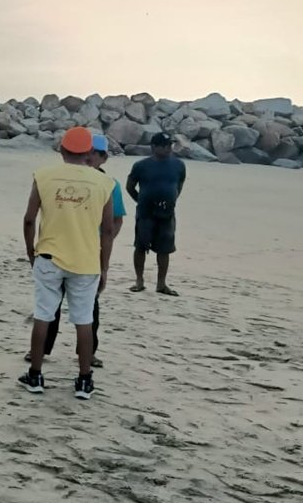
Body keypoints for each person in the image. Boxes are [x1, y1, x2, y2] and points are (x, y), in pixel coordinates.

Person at [19, 127, 116, 400]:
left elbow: (29, 219)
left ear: (61, 149)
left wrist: (31, 252)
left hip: (49, 256)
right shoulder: (104, 183)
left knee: (43, 315)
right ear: (88, 152)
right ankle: (84, 380)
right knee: (84, 320)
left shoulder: (44, 176)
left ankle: (35, 375)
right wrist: (104, 266)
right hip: (86, 260)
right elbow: (108, 230)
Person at [37, 134, 126, 368]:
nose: (89, 156)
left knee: (88, 310)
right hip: (58, 250)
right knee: (51, 306)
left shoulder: (109, 184)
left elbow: (115, 221)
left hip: (88, 253)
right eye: (88, 151)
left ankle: (88, 354)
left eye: (95, 153)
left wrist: (103, 247)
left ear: (103, 158)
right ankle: (42, 350)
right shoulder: (61, 177)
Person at [127, 132, 186, 296]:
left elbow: (179, 184)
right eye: (164, 146)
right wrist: (140, 200)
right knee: (141, 246)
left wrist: (172, 198)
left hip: (167, 212)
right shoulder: (141, 165)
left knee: (165, 249)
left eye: (170, 145)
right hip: (146, 212)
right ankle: (139, 281)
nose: (168, 148)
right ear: (153, 147)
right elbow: (130, 186)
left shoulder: (179, 165)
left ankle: (161, 283)